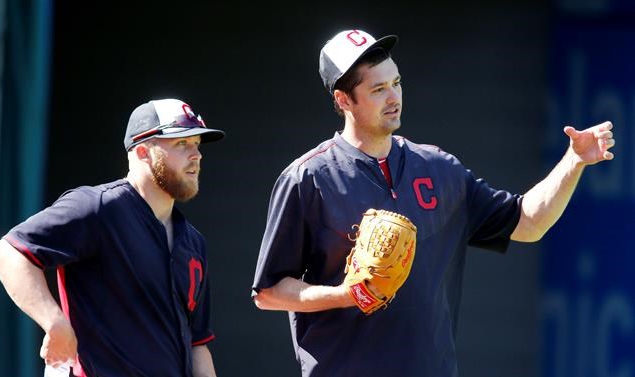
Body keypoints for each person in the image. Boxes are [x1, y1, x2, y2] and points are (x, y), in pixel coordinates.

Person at [251, 29, 616, 376]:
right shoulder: (308, 178)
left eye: (396, 83)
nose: (394, 97)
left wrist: (574, 161)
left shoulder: (439, 168)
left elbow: (529, 223)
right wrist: (344, 295)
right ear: (344, 100)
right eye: (378, 89)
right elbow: (268, 293)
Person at [0, 98, 225, 377]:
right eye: (181, 144)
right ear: (141, 152)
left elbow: (196, 343)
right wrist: (54, 322)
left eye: (197, 143)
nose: (196, 155)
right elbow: (8, 253)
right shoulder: (97, 207)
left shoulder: (194, 243)